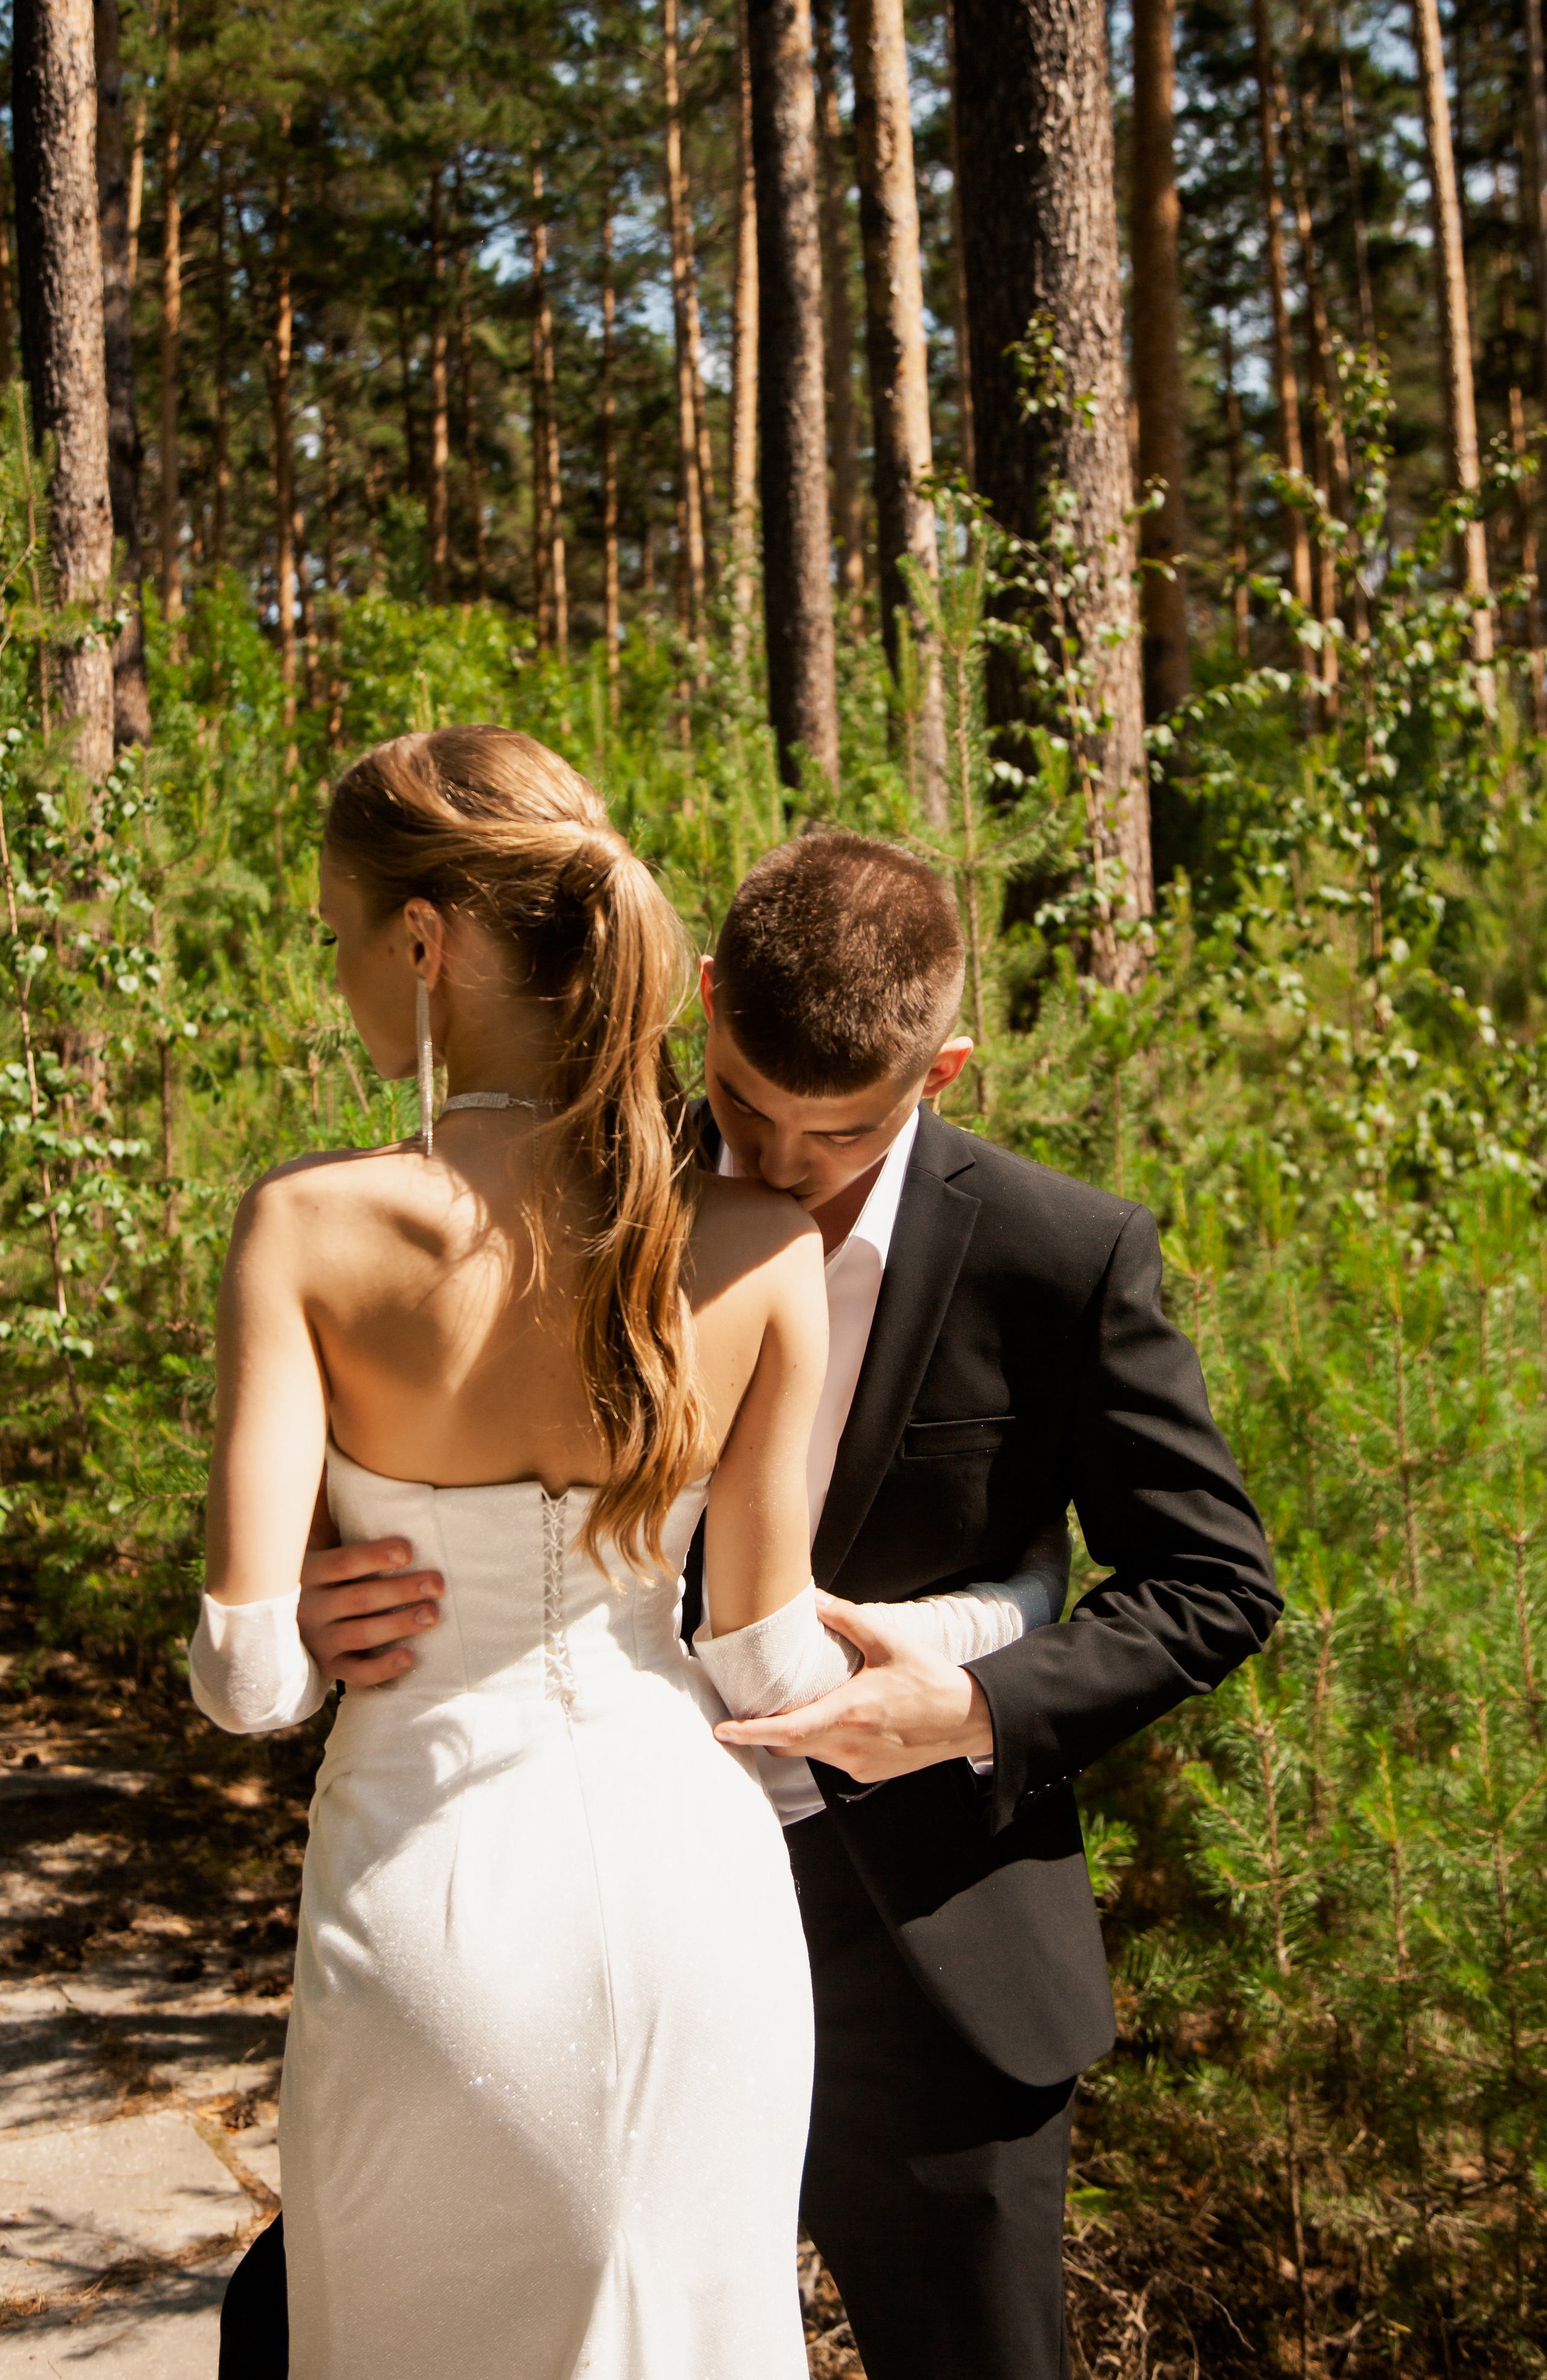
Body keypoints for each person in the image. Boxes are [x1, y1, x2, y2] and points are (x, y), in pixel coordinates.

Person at [232, 826, 1279, 2379]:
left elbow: (1211, 1579)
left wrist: (977, 1697)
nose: (774, 1165)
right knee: (301, 2321)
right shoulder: (558, 1184)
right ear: (703, 1001)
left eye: (834, 1132)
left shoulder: (1060, 1256)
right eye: (738, 1103)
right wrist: (316, 1607)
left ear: (943, 1073)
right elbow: (378, 1466)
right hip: (579, 1932)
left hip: (923, 1961)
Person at [193, 726, 839, 2380]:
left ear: (427, 943)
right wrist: (994, 1639)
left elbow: (250, 1677)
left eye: (341, 934)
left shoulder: (309, 1229)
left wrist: (312, 1629)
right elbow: (769, 1668)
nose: (339, 971)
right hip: (704, 1902)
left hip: (434, 1903)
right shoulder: (769, 1247)